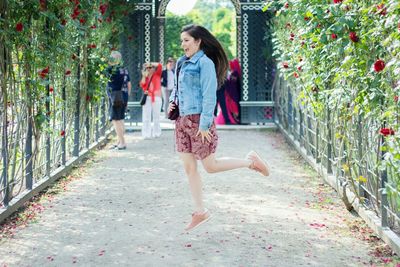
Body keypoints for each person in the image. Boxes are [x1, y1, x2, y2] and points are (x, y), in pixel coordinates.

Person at [168, 24, 270, 232]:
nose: (183, 45)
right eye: (182, 41)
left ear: (198, 41)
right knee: (189, 168)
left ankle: (250, 162)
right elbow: (176, 90)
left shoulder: (204, 63)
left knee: (210, 166)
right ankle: (200, 212)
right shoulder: (180, 63)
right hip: (181, 121)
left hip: (198, 121)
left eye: (186, 40)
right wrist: (171, 103)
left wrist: (205, 124)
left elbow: (209, 95)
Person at [106, 50, 131, 150]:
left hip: (115, 97)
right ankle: (119, 141)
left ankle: (122, 143)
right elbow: (129, 84)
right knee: (120, 119)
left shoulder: (111, 69)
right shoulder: (124, 70)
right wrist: (126, 97)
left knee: (116, 120)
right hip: (123, 96)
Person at [140, 62, 162, 139]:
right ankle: (146, 133)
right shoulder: (145, 77)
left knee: (156, 116)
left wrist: (149, 63)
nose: (149, 69)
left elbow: (159, 65)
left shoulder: (157, 74)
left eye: (151, 67)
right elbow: (142, 85)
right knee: (146, 117)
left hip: (156, 98)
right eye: (148, 68)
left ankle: (156, 133)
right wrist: (144, 76)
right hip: (148, 98)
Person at [215, 58, 241, 124]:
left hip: (230, 93)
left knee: (227, 107)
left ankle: (230, 120)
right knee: (224, 106)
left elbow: (230, 83)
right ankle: (229, 120)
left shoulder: (234, 73)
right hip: (228, 92)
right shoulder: (232, 72)